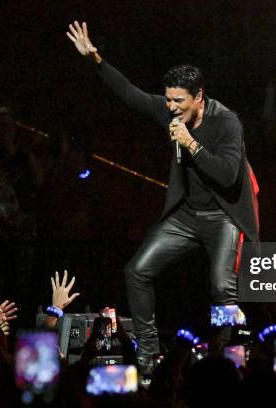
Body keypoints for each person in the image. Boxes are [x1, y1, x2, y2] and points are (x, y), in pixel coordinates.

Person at [66, 21, 260, 370]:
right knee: (137, 271)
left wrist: (191, 144)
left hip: (222, 216)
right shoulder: (169, 109)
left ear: (199, 96)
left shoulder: (227, 122)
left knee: (221, 287)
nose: (172, 107)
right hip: (186, 215)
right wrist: (96, 59)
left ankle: (228, 360)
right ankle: (149, 354)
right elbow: (130, 94)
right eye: (168, 99)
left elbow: (229, 176)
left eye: (179, 101)